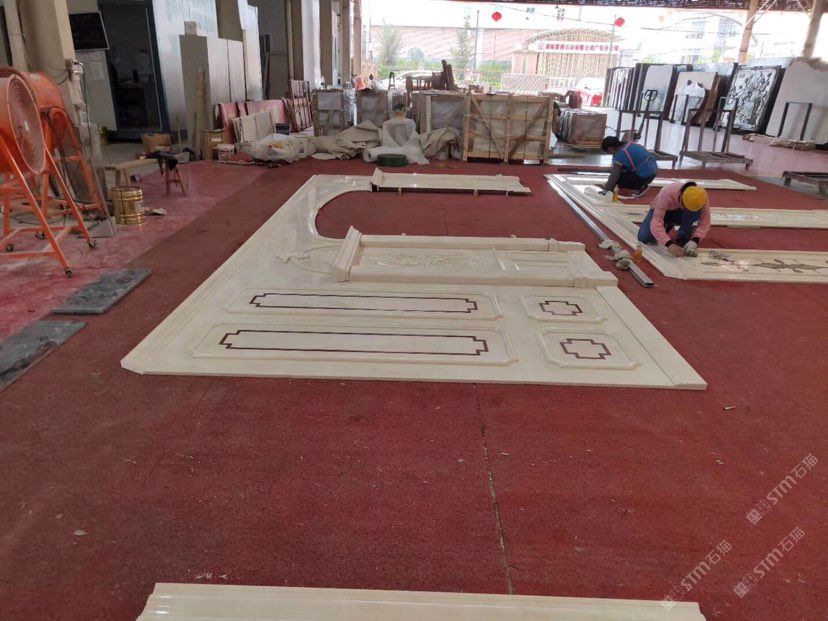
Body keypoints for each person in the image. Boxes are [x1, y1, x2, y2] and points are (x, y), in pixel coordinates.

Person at [638, 182, 710, 257]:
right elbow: (656, 221)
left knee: (694, 212)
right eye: (685, 206)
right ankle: (668, 222)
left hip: (681, 213)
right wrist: (669, 244)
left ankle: (683, 236)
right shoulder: (667, 192)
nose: (686, 209)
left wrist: (695, 240)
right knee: (645, 237)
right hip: (665, 210)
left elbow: (705, 222)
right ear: (681, 197)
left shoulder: (701, 196)